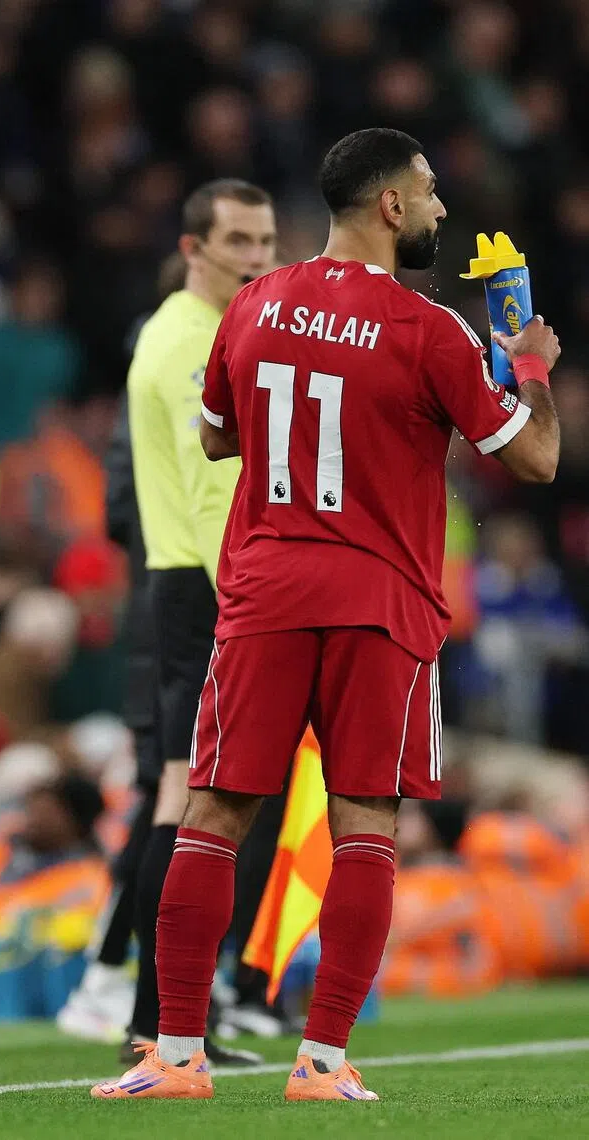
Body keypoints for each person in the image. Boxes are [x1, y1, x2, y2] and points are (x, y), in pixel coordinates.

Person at [93, 127, 560, 1103]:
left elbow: (219, 439)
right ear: (390, 206)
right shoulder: (430, 329)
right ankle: (322, 1061)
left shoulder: (255, 304)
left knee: (213, 813)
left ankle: (175, 1056)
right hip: (380, 606)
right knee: (363, 827)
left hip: (263, 593)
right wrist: (530, 364)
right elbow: (535, 461)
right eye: (428, 193)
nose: (438, 209)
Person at [99, 181, 279, 1065]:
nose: (256, 256)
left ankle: (163, 1020)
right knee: (194, 800)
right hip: (204, 590)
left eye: (266, 239)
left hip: (194, 587)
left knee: (193, 798)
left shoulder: (201, 333)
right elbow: (217, 501)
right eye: (239, 239)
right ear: (192, 246)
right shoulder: (186, 345)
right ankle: (154, 1020)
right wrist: (257, 611)